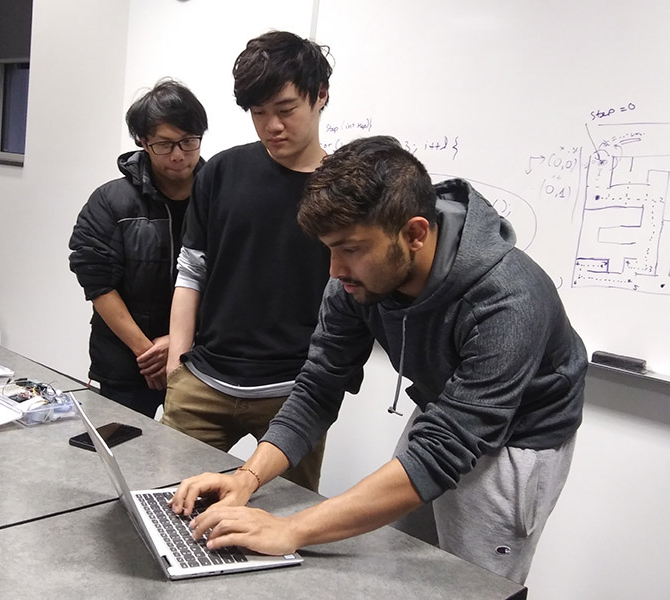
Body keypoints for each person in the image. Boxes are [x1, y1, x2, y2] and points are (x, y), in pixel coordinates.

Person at [169, 136, 587, 584]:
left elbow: (443, 451)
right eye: (330, 249)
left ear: (415, 234)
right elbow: (317, 388)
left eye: (349, 249)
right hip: (442, 410)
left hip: (518, 439)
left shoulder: (508, 299)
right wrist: (246, 479)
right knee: (400, 565)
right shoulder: (357, 281)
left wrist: (291, 529)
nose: (334, 270)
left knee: (472, 586)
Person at [160, 31, 335, 492]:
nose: (271, 126)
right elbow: (191, 270)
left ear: (320, 97)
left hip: (292, 397)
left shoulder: (342, 190)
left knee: (285, 525)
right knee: (170, 505)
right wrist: (178, 363)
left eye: (285, 109)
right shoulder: (222, 171)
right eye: (259, 113)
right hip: (201, 384)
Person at [69, 80, 208, 418]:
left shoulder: (221, 198)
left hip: (200, 361)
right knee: (120, 457)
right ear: (143, 143)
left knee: (188, 465)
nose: (178, 154)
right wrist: (147, 353)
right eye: (164, 144)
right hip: (127, 363)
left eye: (188, 142)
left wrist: (178, 345)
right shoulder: (110, 201)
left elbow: (232, 280)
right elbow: (99, 284)